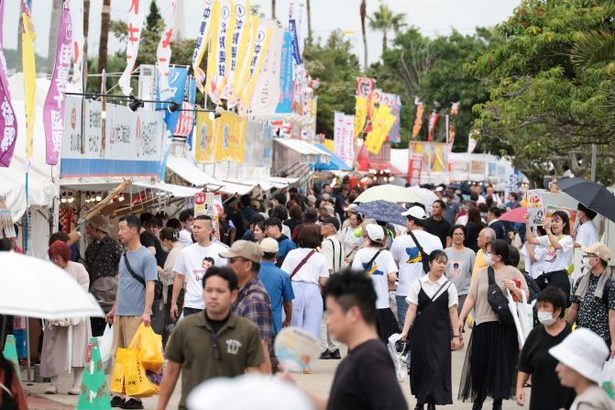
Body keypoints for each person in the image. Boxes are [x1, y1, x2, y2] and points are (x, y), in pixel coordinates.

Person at [156, 267, 266, 410]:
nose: (213, 296)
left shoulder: (248, 330)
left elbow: (254, 377)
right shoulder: (185, 327)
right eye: (209, 290)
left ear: (233, 295)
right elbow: (171, 372)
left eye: (220, 291)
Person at [311, 271, 408, 410]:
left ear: (353, 314)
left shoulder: (372, 361)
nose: (327, 320)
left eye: (331, 312)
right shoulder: (358, 357)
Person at [458, 239, 529, 410]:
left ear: (498, 256)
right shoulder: (481, 273)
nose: (486, 255)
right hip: (482, 324)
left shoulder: (513, 272)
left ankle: (498, 402)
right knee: (480, 364)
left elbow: (525, 296)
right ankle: (479, 400)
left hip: (504, 327)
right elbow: (471, 297)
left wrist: (514, 288)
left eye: (489, 252)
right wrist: (461, 318)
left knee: (500, 366)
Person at [106, 214, 158, 410]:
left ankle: (136, 399)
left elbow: (150, 286)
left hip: (137, 313)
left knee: (134, 356)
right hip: (121, 313)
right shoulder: (124, 256)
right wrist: (114, 308)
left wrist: (147, 311)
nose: (119, 233)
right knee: (119, 355)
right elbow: (122, 285)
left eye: (122, 228)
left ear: (134, 230)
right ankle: (119, 394)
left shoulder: (146, 256)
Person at [401, 250, 461, 410]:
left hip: (441, 332)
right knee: (421, 366)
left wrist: (456, 335)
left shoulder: (449, 286)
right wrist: (405, 331)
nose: (442, 265)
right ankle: (421, 400)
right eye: (438, 262)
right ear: (429, 263)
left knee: (437, 366)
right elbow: (412, 309)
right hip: (421, 332)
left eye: (444, 262)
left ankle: (431, 402)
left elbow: (453, 312)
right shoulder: (418, 284)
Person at [42, 241, 91, 395]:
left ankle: (77, 383)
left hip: (76, 313)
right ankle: (53, 383)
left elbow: (84, 287)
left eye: (58, 258)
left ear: (65, 256)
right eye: (53, 258)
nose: (55, 261)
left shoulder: (78, 268)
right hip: (56, 313)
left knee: (78, 348)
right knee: (52, 348)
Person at [516, 287, 575, 410]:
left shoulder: (572, 336)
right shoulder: (535, 335)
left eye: (545, 306)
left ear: (558, 310)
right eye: (539, 306)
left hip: (566, 402)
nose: (541, 310)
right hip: (539, 401)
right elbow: (524, 366)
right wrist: (519, 387)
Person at [221, 240, 273, 373]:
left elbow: (261, 349)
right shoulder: (242, 293)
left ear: (248, 265)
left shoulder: (254, 299)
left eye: (232, 261)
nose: (227, 265)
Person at [391, 206, 443, 328]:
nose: (405, 223)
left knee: (406, 330)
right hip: (430, 290)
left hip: (405, 291)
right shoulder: (435, 240)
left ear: (412, 221)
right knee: (427, 328)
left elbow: (394, 264)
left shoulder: (400, 240)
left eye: (407, 219)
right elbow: (441, 263)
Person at [281, 224, 329, 349]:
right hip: (313, 290)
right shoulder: (320, 258)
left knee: (292, 322)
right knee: (312, 324)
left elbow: (284, 275)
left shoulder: (292, 254)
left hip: (294, 288)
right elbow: (323, 281)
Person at [171, 215, 227, 319]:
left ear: (209, 230)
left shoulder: (221, 252)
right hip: (191, 304)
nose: (195, 230)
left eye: (199, 228)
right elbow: (179, 277)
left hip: (214, 304)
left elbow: (228, 278)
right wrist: (173, 302)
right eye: (194, 227)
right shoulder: (185, 252)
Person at [351, 224, 399, 342]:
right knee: (384, 342)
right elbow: (393, 277)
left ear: (369, 237)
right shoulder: (386, 254)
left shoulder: (360, 253)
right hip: (382, 303)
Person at [549, 328, 615, 410]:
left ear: (579, 366)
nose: (557, 368)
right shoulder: (592, 395)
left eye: (563, 362)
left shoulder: (589, 403)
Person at [567, 242, 615, 351]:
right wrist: (565, 330)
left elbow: (613, 315)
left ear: (597, 260)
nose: (585, 258)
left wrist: (614, 343)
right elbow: (574, 308)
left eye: (588, 255)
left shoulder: (611, 284)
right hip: (580, 338)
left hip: (600, 341)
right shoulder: (582, 280)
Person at [84, 214, 124, 336]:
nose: (87, 231)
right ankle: (96, 354)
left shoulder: (114, 245)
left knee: (108, 329)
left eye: (89, 227)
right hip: (94, 294)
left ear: (97, 228)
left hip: (109, 296)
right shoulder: (90, 247)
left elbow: (123, 265)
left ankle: (108, 353)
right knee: (94, 328)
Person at [525, 210, 574, 298]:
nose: (554, 224)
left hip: (559, 277)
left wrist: (548, 230)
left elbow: (556, 245)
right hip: (547, 276)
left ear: (564, 224)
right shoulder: (548, 238)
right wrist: (527, 224)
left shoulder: (568, 239)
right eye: (552, 221)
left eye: (557, 221)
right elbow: (531, 240)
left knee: (557, 307)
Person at [319, 216, 345, 359]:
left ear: (331, 228)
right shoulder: (339, 243)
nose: (321, 227)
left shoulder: (327, 244)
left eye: (324, 225)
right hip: (338, 281)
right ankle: (334, 348)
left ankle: (323, 349)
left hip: (329, 281)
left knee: (323, 316)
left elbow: (327, 267)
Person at [259, 238, 294, 336]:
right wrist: (287, 320)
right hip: (273, 325)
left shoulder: (250, 272)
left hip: (252, 323)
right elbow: (288, 303)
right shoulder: (282, 275)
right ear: (276, 254)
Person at [156, 227, 184, 346]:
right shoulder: (182, 248)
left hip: (175, 290)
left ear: (166, 240)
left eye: (162, 242)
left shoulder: (175, 252)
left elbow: (170, 273)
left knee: (172, 320)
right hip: (180, 290)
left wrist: (160, 270)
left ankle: (173, 347)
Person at [445, 225, 476, 309]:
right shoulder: (445, 252)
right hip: (447, 293)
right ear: (452, 236)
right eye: (455, 234)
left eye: (460, 234)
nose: (458, 236)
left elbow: (474, 274)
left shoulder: (470, 253)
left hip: (464, 294)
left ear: (464, 236)